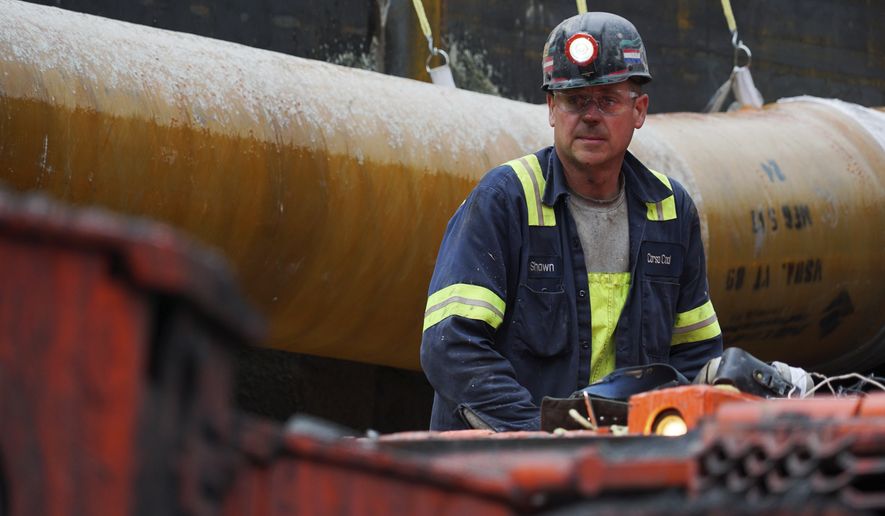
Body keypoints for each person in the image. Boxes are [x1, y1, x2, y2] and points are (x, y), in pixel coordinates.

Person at [420, 12, 723, 432]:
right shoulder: (505, 201)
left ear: (639, 110)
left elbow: (695, 355)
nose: (591, 115)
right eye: (575, 100)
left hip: (621, 464)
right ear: (551, 109)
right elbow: (450, 346)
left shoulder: (669, 211)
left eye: (608, 100)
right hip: (501, 467)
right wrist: (539, 433)